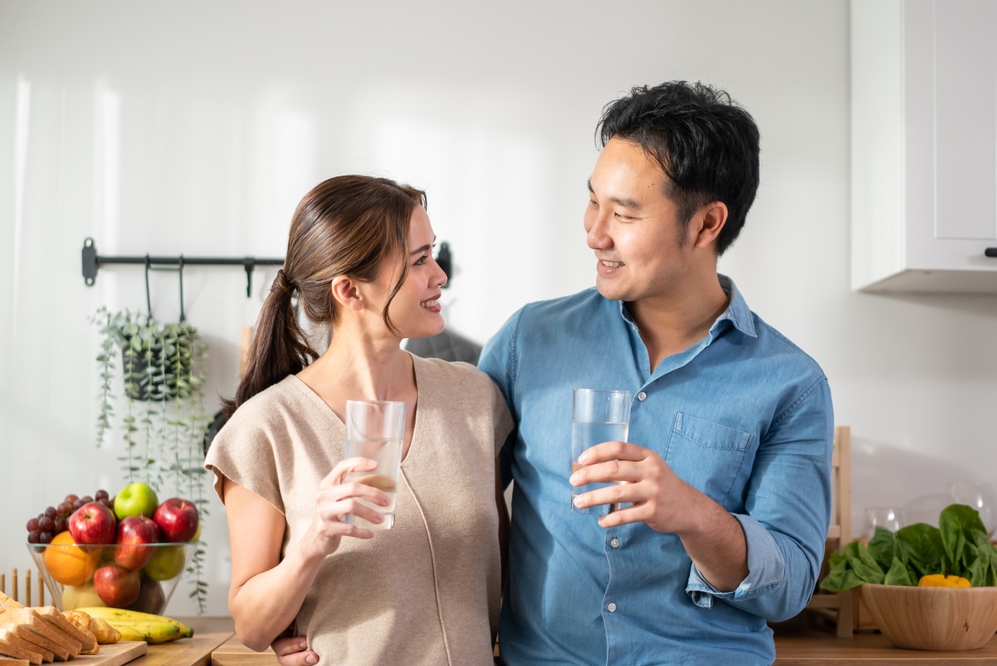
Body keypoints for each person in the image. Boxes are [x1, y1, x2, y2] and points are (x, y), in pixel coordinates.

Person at [477, 82, 833, 664]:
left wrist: (691, 513)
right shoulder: (530, 340)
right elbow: (444, 489)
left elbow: (790, 585)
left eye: (624, 213)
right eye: (594, 201)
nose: (595, 232)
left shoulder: (791, 385)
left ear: (706, 224)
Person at [205, 175, 513, 666]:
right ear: (349, 290)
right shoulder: (266, 428)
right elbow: (252, 626)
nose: (439, 276)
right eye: (418, 261)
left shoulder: (474, 398)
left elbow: (507, 576)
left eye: (432, 254)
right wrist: (312, 545)